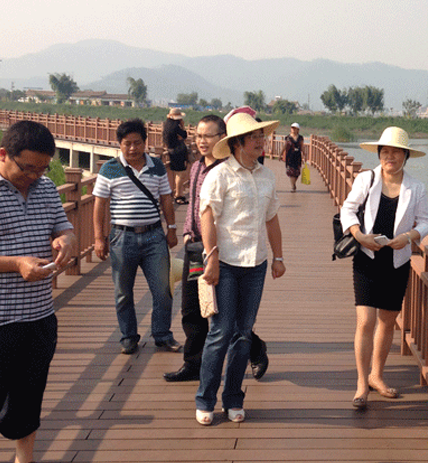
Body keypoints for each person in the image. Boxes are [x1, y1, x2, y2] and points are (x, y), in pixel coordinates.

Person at [163, 115, 270, 383]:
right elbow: (194, 207)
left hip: (222, 253)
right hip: (196, 248)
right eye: (198, 136)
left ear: (223, 137)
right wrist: (187, 231)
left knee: (226, 316)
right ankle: (193, 364)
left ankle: (255, 349)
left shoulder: (228, 169)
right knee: (192, 307)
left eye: (208, 136)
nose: (201, 141)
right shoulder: (198, 166)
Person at [195, 113, 286, 425]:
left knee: (244, 334)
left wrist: (278, 256)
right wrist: (212, 257)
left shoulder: (267, 176)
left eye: (262, 136)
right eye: (255, 137)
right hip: (226, 264)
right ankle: (205, 398)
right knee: (221, 332)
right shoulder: (219, 175)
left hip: (256, 263)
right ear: (237, 143)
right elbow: (207, 215)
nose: (261, 142)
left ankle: (233, 397)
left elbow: (271, 218)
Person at [0, 121, 76, 463]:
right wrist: (16, 264)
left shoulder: (45, 187)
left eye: (42, 168)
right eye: (27, 168)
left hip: (40, 317)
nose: (35, 175)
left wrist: (66, 240)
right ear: (4, 155)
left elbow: (64, 226)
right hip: (1, 320)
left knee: (29, 400)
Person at [339, 126, 428, 409]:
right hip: (367, 257)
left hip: (397, 260)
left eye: (396, 152)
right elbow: (348, 209)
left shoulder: (416, 188)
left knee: (387, 321)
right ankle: (361, 383)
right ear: (379, 154)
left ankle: (377, 376)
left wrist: (409, 237)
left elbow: (425, 221)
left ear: (406, 156)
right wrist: (359, 235)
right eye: (385, 152)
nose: (390, 157)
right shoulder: (367, 179)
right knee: (365, 321)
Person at [93, 118, 181, 355]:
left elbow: (166, 198)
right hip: (122, 238)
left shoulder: (157, 166)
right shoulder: (109, 168)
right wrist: (99, 238)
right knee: (123, 292)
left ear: (145, 142)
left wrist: (171, 228)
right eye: (127, 144)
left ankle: (162, 335)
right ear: (119, 145)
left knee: (163, 289)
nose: (132, 148)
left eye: (137, 143)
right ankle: (129, 336)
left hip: (154, 236)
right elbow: (99, 205)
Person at [163, 108, 190, 204]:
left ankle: (178, 194)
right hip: (178, 152)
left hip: (172, 151)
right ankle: (178, 195)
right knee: (180, 174)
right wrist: (182, 127)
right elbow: (184, 135)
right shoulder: (176, 126)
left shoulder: (167, 125)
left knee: (178, 174)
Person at [281, 122, 304, 192]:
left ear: (298, 130)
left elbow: (302, 147)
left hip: (297, 157)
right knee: (291, 172)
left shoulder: (300, 138)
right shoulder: (288, 137)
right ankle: (292, 186)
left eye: (295, 128)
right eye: (292, 128)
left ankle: (293, 184)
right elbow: (284, 146)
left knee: (297, 173)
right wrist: (280, 154)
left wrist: (305, 155)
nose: (293, 130)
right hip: (289, 157)